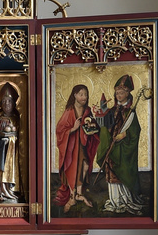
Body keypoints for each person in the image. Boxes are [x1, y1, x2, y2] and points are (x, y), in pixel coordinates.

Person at [94, 74, 143, 215]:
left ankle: (126, 200)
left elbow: (135, 131)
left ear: (127, 93)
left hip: (123, 149)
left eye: (121, 93)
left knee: (122, 170)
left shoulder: (130, 112)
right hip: (112, 145)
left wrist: (124, 135)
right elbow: (105, 124)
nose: (118, 95)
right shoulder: (112, 110)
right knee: (112, 171)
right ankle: (115, 201)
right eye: (117, 93)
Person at [55, 84, 99, 213]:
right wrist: (73, 128)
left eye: (85, 94)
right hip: (71, 146)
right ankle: (72, 196)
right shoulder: (69, 111)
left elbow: (93, 124)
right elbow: (60, 130)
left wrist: (91, 124)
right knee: (72, 168)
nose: (84, 97)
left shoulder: (87, 110)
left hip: (83, 144)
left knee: (84, 166)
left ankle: (79, 193)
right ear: (75, 95)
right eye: (81, 94)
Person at [0, 83, 21, 202]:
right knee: (1, 168)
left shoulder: (17, 117)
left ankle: (11, 191)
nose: (6, 104)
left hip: (13, 152)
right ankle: (1, 191)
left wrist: (12, 138)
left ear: (13, 103)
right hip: (1, 148)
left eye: (9, 101)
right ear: (1, 104)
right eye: (4, 101)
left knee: (11, 167)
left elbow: (20, 132)